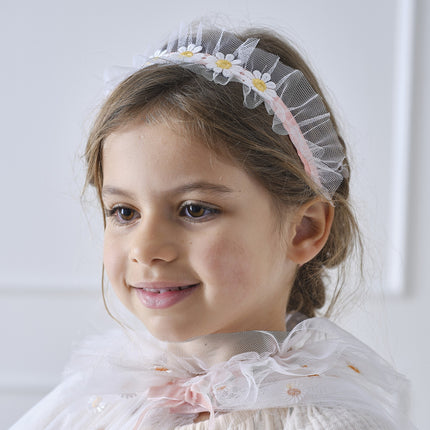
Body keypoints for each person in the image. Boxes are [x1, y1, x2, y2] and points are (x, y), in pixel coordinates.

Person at [10, 23, 415, 429]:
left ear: (303, 230)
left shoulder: (325, 421)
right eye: (124, 212)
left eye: (194, 210)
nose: (146, 248)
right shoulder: (94, 400)